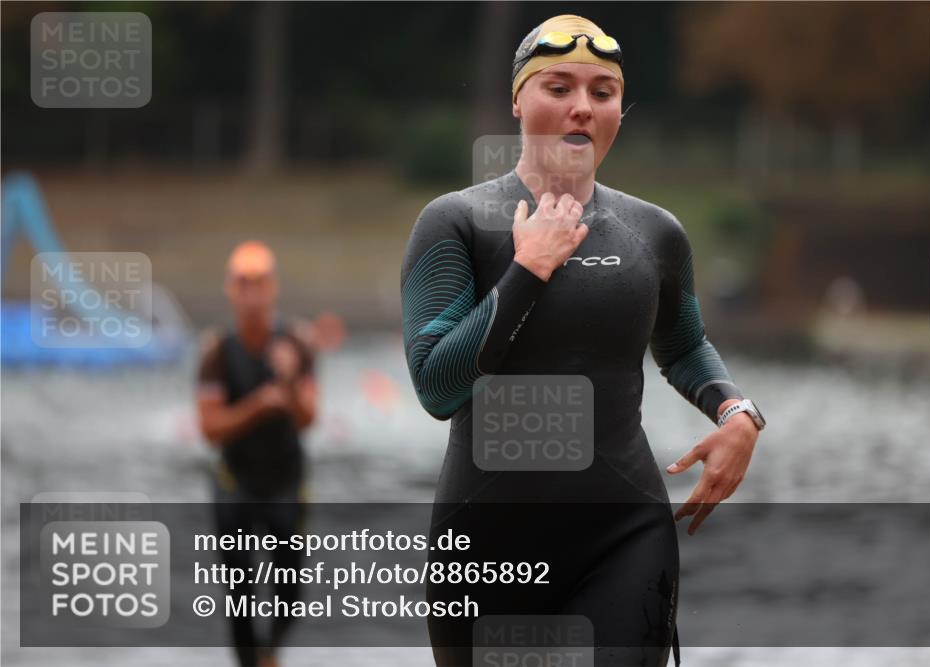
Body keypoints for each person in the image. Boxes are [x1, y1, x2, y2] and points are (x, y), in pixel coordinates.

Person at [400, 14, 765, 667]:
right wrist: (528, 270)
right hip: (486, 545)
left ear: (620, 110)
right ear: (518, 98)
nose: (581, 107)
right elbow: (436, 384)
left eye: (602, 92)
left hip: (622, 535)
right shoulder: (458, 223)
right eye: (558, 86)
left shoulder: (654, 233)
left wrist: (736, 412)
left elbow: (683, 346)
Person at [197, 240, 318, 667]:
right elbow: (209, 429)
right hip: (237, 484)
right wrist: (256, 407)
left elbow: (307, 418)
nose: (252, 294)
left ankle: (269, 654)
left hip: (285, 482)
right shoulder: (216, 352)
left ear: (273, 288)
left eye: (260, 284)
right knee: (239, 594)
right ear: (231, 289)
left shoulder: (297, 343)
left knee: (290, 593)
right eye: (243, 284)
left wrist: (287, 381)